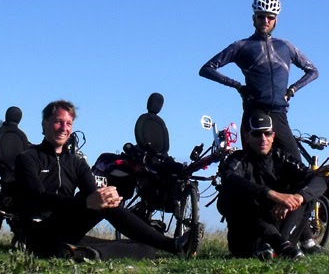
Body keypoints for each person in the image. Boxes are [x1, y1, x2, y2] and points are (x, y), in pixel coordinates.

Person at [14, 100, 202, 261]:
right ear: (45, 123)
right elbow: (38, 198)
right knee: (97, 203)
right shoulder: (28, 158)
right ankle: (173, 245)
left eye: (68, 123)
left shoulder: (76, 162)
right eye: (58, 122)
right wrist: (86, 202)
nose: (64, 128)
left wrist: (107, 197)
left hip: (66, 230)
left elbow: (94, 195)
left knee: (146, 247)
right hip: (37, 231)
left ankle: (85, 253)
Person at [199, 0, 318, 161]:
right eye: (261, 16)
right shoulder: (242, 46)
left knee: (296, 165)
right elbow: (206, 69)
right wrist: (238, 86)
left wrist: (292, 90)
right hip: (254, 112)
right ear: (253, 19)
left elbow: (313, 71)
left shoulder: (285, 46)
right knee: (254, 166)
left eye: (270, 17)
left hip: (278, 113)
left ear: (276, 20)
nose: (265, 21)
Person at [218, 111, 327, 259]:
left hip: (282, 230)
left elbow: (318, 181)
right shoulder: (238, 159)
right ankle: (278, 245)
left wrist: (296, 198)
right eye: (257, 134)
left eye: (267, 133)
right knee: (234, 195)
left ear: (273, 136)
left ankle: (280, 245)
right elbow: (229, 177)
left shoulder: (281, 157)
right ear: (247, 137)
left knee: (306, 195)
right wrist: (272, 194)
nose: (263, 138)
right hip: (248, 237)